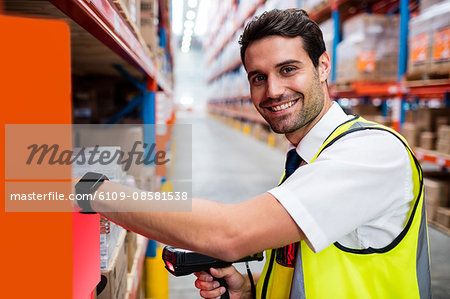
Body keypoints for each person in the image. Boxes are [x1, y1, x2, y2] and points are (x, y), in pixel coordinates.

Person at [75, 8, 431, 299]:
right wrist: (250, 288)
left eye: (288, 69)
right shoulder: (308, 158)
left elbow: (230, 234)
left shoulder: (371, 154)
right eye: (258, 77)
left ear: (323, 66)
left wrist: (92, 189)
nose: (273, 90)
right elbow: (313, 267)